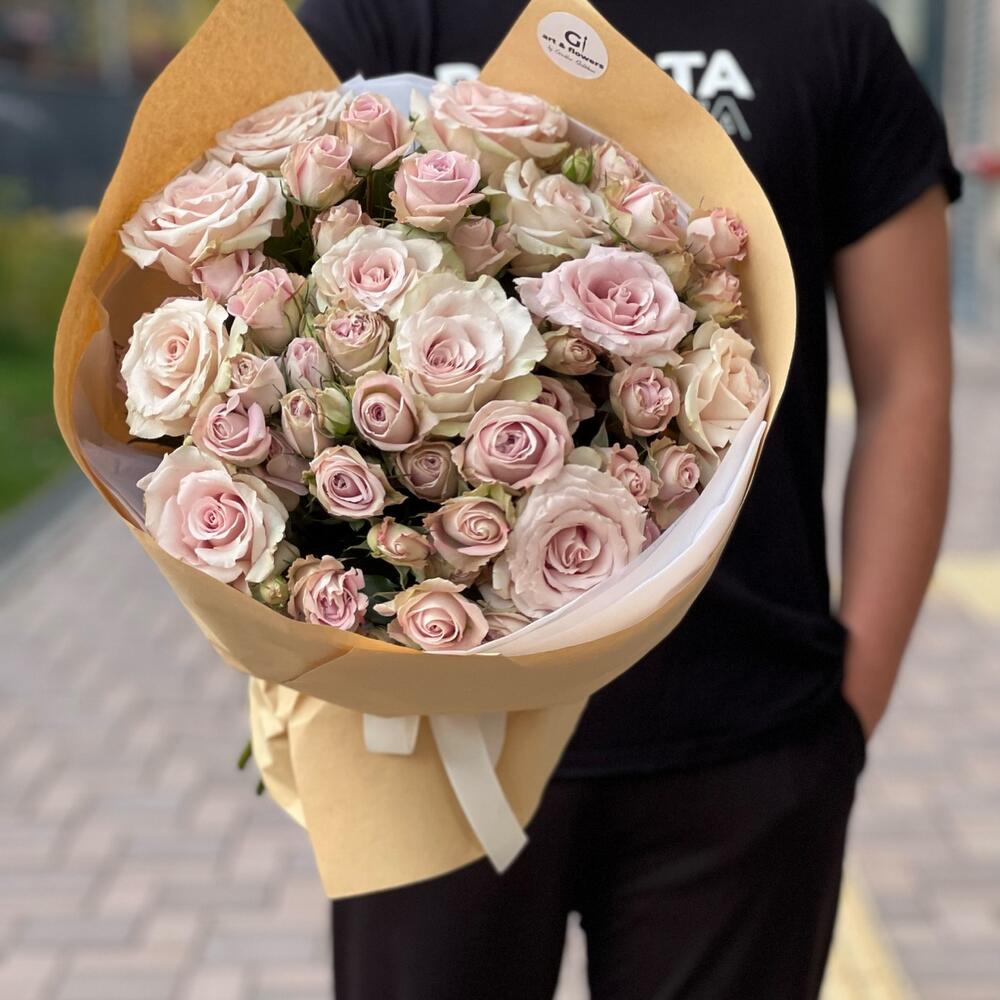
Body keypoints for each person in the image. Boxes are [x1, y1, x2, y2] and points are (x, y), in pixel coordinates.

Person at [297, 1, 961, 996]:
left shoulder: (820, 25)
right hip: (433, 746)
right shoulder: (387, 10)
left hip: (739, 742)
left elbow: (907, 382)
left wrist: (847, 718)